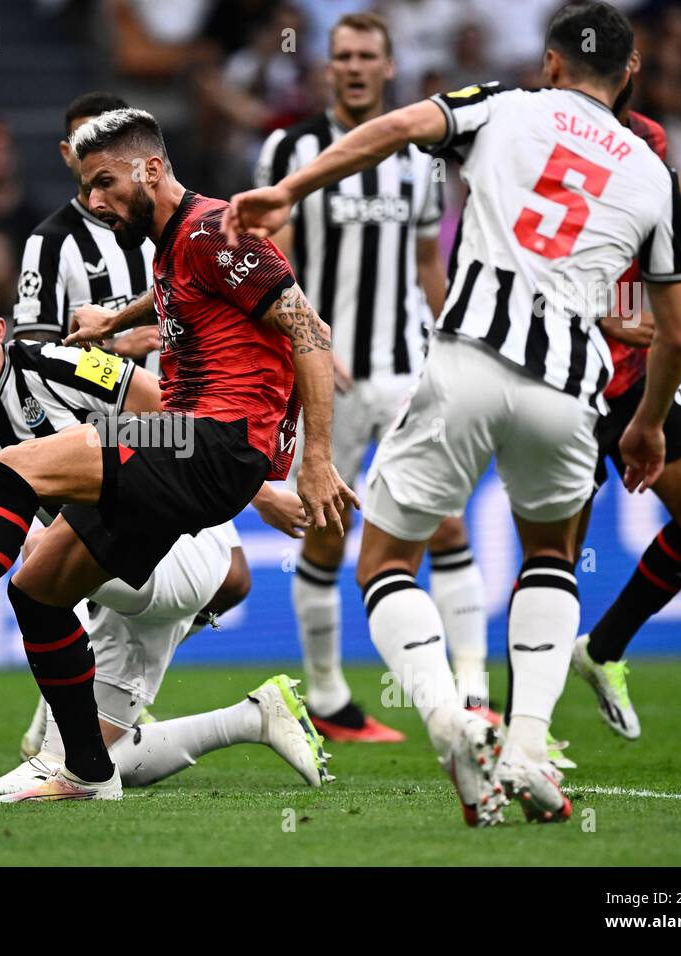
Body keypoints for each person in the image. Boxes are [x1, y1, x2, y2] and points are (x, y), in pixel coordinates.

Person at [224, 0, 681, 826]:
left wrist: (292, 187)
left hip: (465, 361)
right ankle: (527, 747)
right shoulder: (656, 172)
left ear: (549, 64)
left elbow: (403, 124)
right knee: (550, 553)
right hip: (569, 389)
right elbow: (678, 336)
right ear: (629, 75)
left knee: (381, 561)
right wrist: (648, 422)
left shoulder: (504, 107)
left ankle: (447, 717)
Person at [0, 107, 353, 803]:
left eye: (103, 184)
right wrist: (115, 319)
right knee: (36, 589)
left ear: (151, 168)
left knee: (17, 466)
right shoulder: (172, 246)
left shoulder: (217, 231)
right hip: (199, 447)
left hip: (210, 440)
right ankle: (89, 772)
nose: (94, 203)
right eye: (85, 188)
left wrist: (318, 458)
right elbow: (175, 297)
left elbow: (308, 328)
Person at [256, 11, 492, 746]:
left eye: (367, 56)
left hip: (408, 368)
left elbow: (429, 265)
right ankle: (327, 695)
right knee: (326, 529)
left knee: (443, 519)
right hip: (327, 375)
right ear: (327, 66)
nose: (354, 67)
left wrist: (456, 339)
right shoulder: (290, 148)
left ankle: (475, 690)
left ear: (389, 68)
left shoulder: (419, 159)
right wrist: (311, 338)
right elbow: (275, 254)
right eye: (343, 55)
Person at [569, 51, 681, 740]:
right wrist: (597, 314)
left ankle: (604, 648)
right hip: (562, 369)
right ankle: (518, 731)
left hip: (635, 366)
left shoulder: (647, 139)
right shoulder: (536, 139)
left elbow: (665, 221)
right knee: (555, 560)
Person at [14, 91, 158, 369]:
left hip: (180, 408)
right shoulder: (49, 242)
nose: (97, 154)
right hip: (97, 413)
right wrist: (114, 349)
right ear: (66, 154)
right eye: (84, 142)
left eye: (109, 142)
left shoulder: (167, 226)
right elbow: (31, 354)